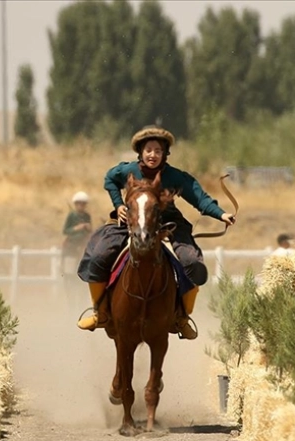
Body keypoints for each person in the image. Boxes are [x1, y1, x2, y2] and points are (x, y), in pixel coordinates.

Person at [76, 127, 236, 340]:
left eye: (158, 151)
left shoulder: (175, 176)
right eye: (149, 150)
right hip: (132, 221)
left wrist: (221, 214)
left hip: (168, 224)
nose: (153, 155)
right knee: (98, 256)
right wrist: (118, 205)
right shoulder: (127, 170)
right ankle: (100, 313)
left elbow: (200, 198)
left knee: (193, 264)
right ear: (140, 152)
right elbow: (109, 179)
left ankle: (182, 318)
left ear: (165, 154)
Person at [61, 192, 92, 274]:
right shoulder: (71, 215)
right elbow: (65, 230)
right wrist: (76, 228)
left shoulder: (87, 216)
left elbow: (89, 231)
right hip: (72, 244)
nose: (81, 206)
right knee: (70, 268)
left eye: (83, 204)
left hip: (83, 244)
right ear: (75, 204)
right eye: (79, 203)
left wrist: (88, 227)